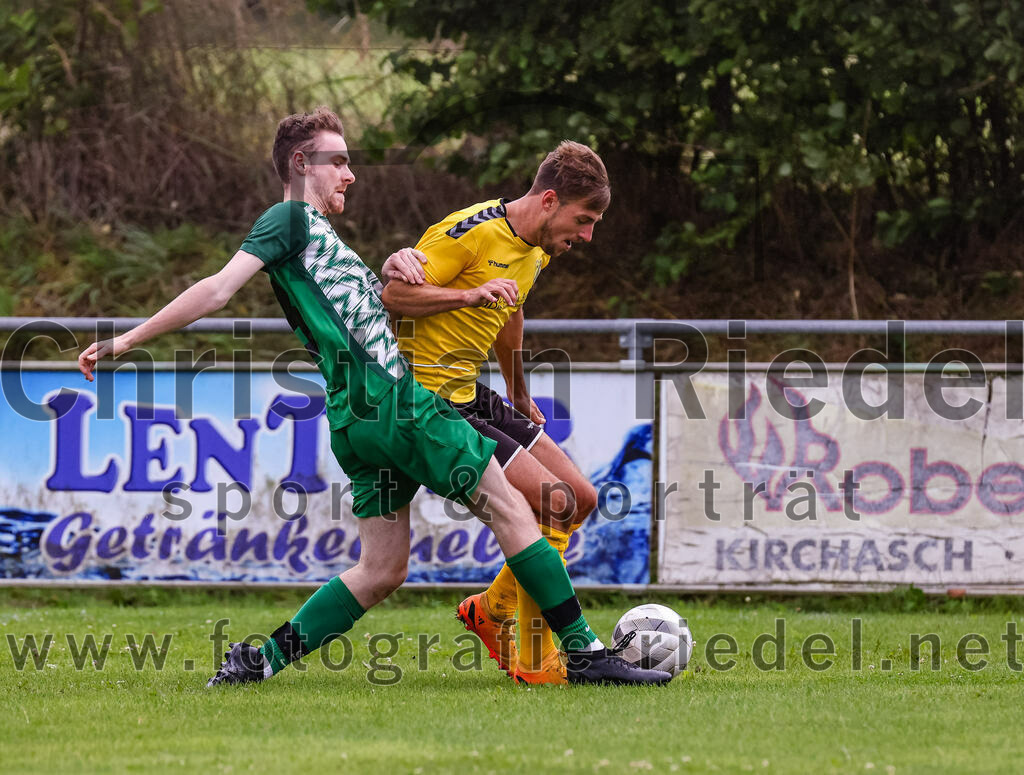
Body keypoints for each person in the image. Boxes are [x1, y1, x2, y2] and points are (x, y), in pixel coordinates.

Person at [76, 107, 670, 687]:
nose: (350, 175)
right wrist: (128, 339)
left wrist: (393, 263)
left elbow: (368, 302)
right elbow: (217, 290)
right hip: (396, 404)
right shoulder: (288, 220)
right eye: (339, 162)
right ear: (302, 164)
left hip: (355, 423)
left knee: (381, 570)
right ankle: (586, 653)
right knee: (517, 509)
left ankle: (259, 662)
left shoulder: (318, 239)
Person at [381, 142, 607, 685]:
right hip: (427, 400)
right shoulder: (470, 231)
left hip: (471, 389)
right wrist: (469, 295)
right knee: (553, 504)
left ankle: (490, 609)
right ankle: (536, 661)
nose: (588, 235)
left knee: (582, 499)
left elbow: (510, 309)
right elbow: (394, 295)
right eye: (584, 219)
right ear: (549, 200)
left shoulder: (536, 248)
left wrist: (518, 390)